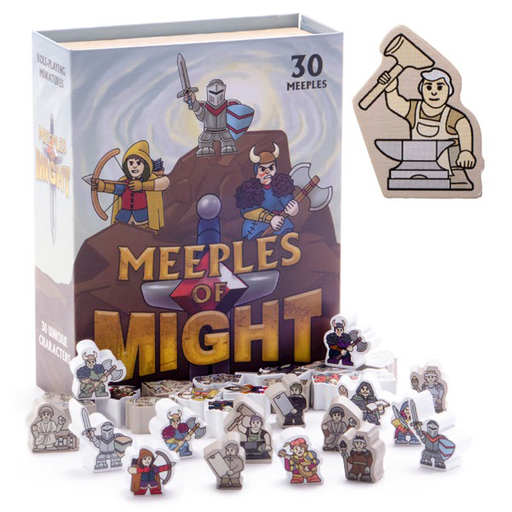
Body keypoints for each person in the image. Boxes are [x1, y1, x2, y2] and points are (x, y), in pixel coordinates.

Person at [378, 68, 476, 189]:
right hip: (419, 165)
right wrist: (391, 89)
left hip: (450, 170)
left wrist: (466, 152)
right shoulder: (414, 109)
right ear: (421, 89)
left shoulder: (453, 116)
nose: (433, 92)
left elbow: (464, 127)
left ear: (449, 90)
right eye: (428, 87)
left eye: (439, 87)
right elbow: (396, 104)